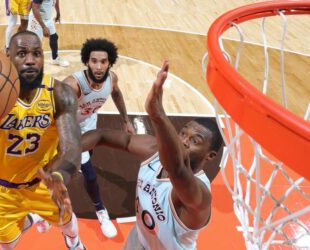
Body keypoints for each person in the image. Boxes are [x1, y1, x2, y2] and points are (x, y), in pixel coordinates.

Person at [0, 31, 85, 250]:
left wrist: (59, 176)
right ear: (8, 55)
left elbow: (72, 146)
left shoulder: (59, 93)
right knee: (8, 244)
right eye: (22, 53)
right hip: (3, 189)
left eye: (37, 53)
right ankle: (36, 218)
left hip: (44, 183)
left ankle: (74, 243)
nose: (30, 60)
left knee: (68, 222)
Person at [80, 60, 224, 249]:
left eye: (195, 141)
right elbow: (102, 135)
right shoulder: (154, 150)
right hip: (139, 239)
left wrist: (158, 115)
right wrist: (66, 152)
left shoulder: (199, 195)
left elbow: (177, 170)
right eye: (182, 133)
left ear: (210, 156)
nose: (183, 141)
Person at [63, 38, 136, 238]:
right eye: (94, 61)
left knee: (88, 156)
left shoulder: (112, 79)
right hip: (67, 127)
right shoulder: (73, 84)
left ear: (109, 63)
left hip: (88, 122)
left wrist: (126, 120)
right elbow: (56, 112)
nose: (98, 66)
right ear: (87, 61)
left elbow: (117, 94)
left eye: (103, 61)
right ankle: (100, 210)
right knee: (89, 175)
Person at [28, 0, 69, 67]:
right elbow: (35, 9)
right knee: (35, 44)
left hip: (48, 19)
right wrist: (44, 27)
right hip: (35, 20)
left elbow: (56, 1)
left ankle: (55, 58)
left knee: (54, 37)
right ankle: (30, 64)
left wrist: (58, 13)